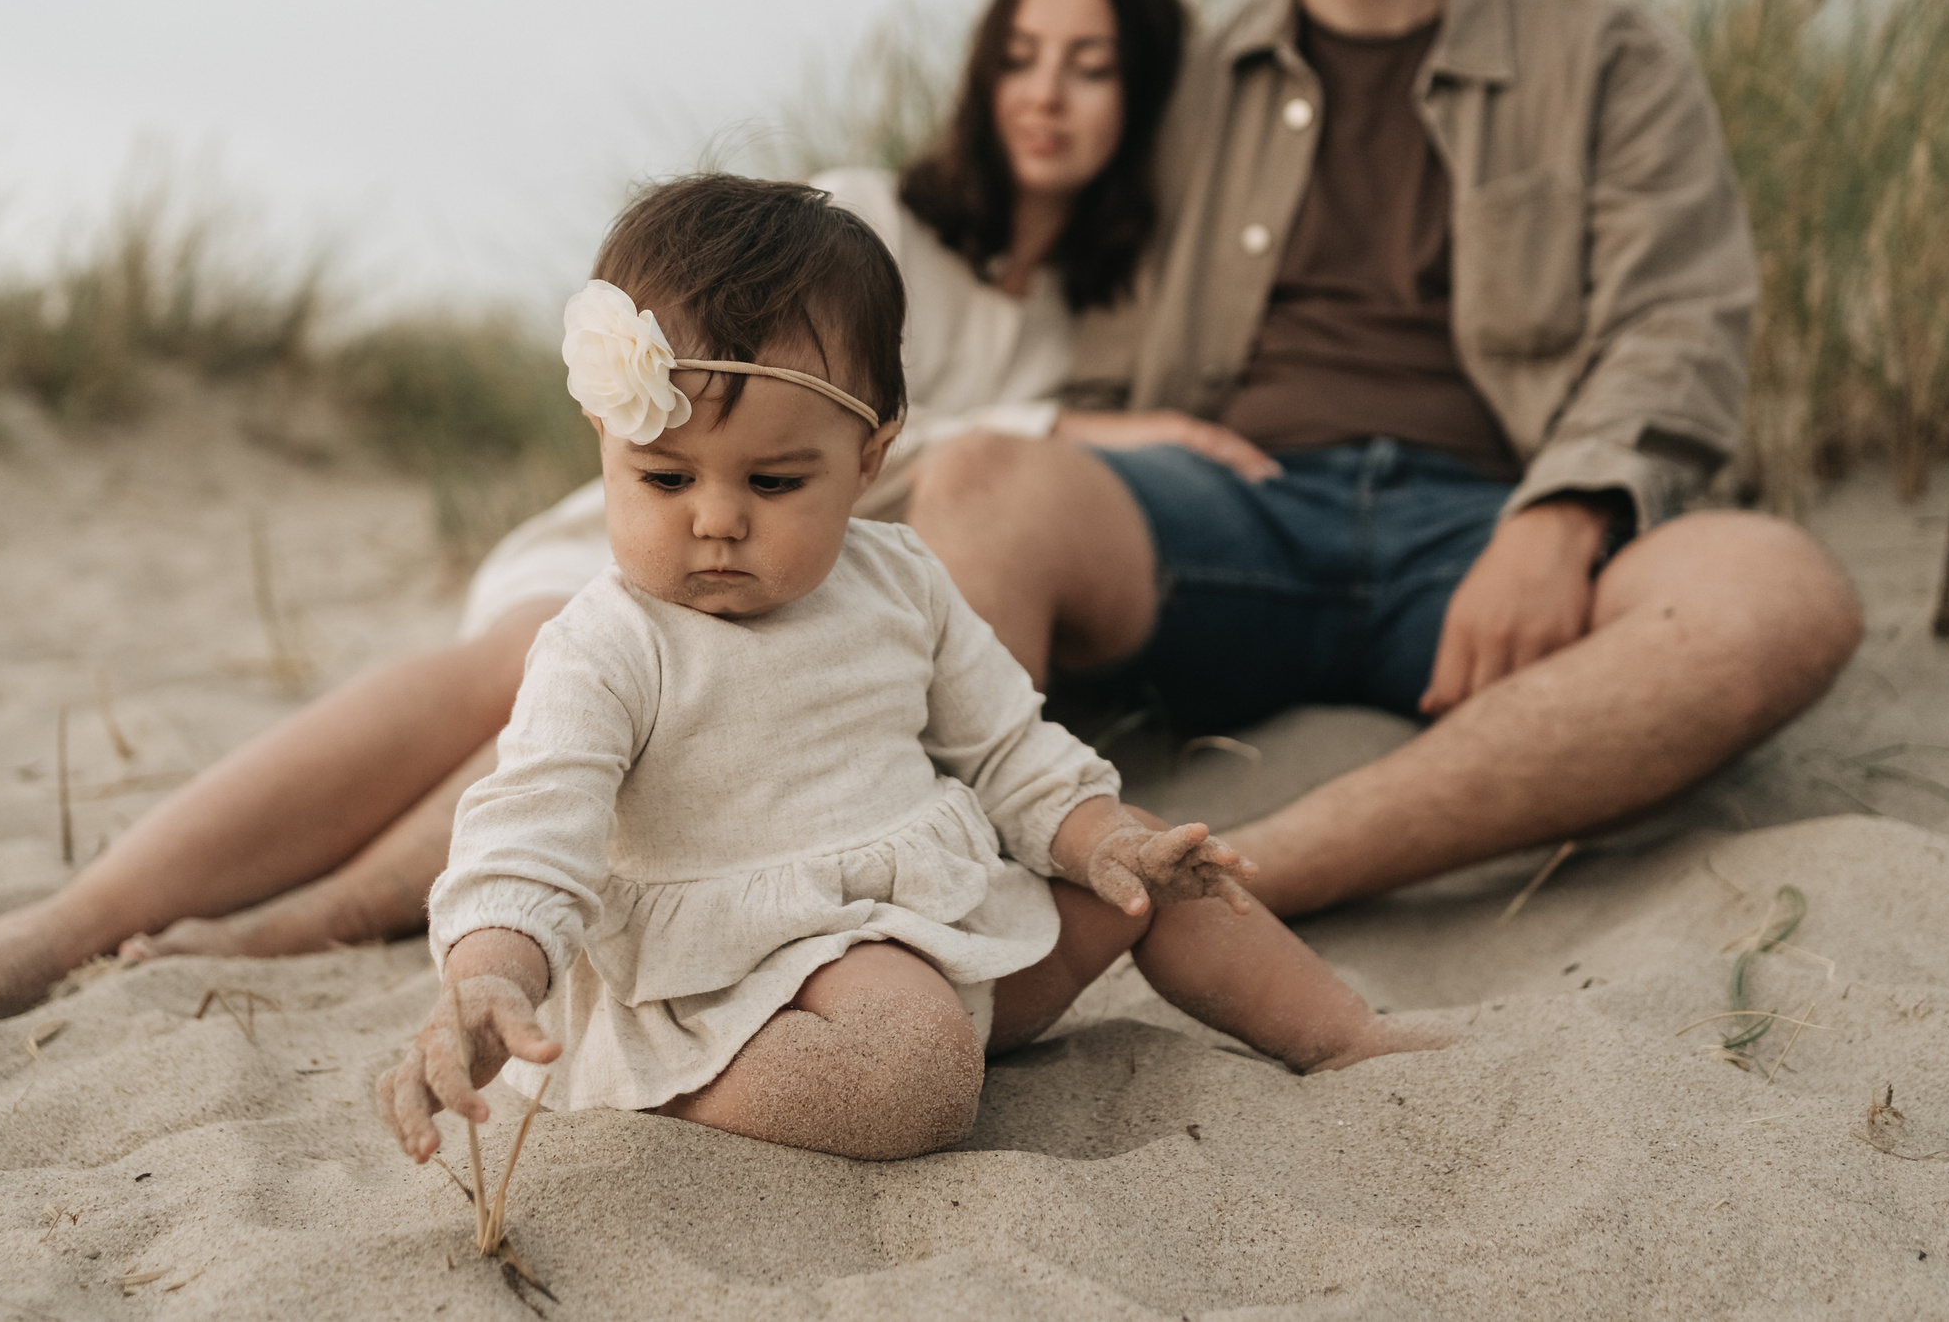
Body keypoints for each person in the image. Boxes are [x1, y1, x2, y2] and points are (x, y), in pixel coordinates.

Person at [0, 0, 1235, 1018]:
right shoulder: (865, 219)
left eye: (1094, 63)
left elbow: (927, 465)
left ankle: (312, 913)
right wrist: (1085, 424)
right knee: (538, 663)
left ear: (1146, 95)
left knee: (618, 721)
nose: (1047, 91)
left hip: (807, 594)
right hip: (658, 520)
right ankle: (47, 932)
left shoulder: (1107, 321)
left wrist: (1086, 414)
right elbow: (846, 410)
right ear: (984, 74)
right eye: (1023, 54)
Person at [903, 0, 1866, 921]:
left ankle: (1253, 881)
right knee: (981, 485)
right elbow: (1045, 273)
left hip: (1480, 530)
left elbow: (1678, 320)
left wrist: (1563, 518)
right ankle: (941, 909)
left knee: (1775, 595)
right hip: (1230, 510)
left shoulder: (1605, 53)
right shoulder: (1186, 90)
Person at [375, 175, 1430, 1165]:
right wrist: (489, 977)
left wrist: (1095, 836)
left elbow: (1006, 747)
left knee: (1161, 863)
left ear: (868, 461)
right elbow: (530, 834)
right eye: (662, 475)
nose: (715, 518)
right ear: (603, 443)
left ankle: (1342, 1035)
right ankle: (673, 1082)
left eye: (776, 481)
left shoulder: (898, 578)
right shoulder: (607, 642)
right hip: (747, 973)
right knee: (912, 1073)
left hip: (933, 912)